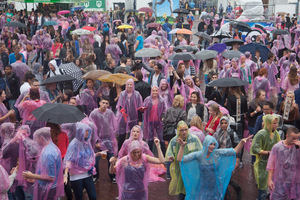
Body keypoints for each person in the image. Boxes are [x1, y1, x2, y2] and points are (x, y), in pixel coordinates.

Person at [177, 134, 252, 200]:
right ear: (206, 144)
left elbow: (235, 151)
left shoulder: (217, 153)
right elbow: (180, 159)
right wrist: (182, 146)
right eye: (210, 144)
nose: (212, 146)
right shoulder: (199, 155)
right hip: (203, 187)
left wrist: (242, 142)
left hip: (215, 185)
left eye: (214, 144)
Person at [22, 127, 64, 200]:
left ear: (41, 138)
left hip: (49, 189)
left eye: (36, 138)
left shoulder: (48, 153)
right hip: (51, 187)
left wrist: (32, 175)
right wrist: (36, 179)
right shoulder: (51, 147)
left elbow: (50, 177)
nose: (36, 141)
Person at [165, 121, 202, 200]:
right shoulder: (174, 141)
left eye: (185, 129)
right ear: (178, 130)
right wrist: (170, 157)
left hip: (192, 169)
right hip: (180, 169)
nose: (184, 132)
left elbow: (201, 152)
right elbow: (169, 152)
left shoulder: (194, 139)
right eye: (182, 130)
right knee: (182, 188)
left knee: (192, 188)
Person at [63, 123, 97, 200]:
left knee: (93, 196)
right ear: (80, 132)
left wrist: (98, 154)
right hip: (76, 176)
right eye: (85, 131)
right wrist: (65, 174)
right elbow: (69, 160)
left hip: (87, 173)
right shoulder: (74, 144)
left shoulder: (87, 142)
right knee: (79, 197)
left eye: (88, 131)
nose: (87, 133)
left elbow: (89, 155)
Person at [250, 114, 281, 200]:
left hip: (272, 164)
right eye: (273, 123)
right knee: (262, 188)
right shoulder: (261, 134)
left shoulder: (276, 134)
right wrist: (268, 153)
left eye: (276, 123)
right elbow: (255, 149)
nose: (276, 125)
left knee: (270, 186)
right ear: (268, 123)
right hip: (262, 164)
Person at [89, 97, 118, 183]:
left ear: (108, 105)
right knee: (96, 161)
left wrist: (114, 138)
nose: (104, 105)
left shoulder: (110, 113)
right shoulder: (94, 113)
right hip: (98, 140)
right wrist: (96, 141)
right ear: (99, 103)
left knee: (111, 159)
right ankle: (95, 176)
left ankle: (112, 176)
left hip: (109, 140)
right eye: (103, 103)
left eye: (106, 103)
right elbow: (91, 127)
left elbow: (114, 125)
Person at [267, 126, 300, 200]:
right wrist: (269, 179)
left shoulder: (297, 147)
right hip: (280, 181)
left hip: (295, 181)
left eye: (297, 138)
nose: (296, 141)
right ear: (287, 136)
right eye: (293, 138)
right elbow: (271, 165)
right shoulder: (277, 147)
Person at [116, 79, 143, 150]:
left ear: (133, 85)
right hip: (123, 117)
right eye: (128, 84)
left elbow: (139, 107)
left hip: (134, 118)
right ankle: (120, 152)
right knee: (122, 135)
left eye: (131, 84)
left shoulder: (137, 94)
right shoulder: (122, 94)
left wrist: (140, 120)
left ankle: (134, 149)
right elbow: (120, 105)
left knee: (134, 134)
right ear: (126, 85)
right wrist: (122, 111)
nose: (129, 86)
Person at [143, 86, 166, 154]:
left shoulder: (161, 100)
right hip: (149, 121)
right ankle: (150, 153)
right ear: (151, 91)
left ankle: (163, 154)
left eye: (156, 91)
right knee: (150, 138)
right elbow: (143, 107)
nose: (155, 92)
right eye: (153, 91)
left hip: (158, 122)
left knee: (161, 137)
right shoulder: (147, 99)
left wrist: (163, 116)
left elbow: (164, 109)